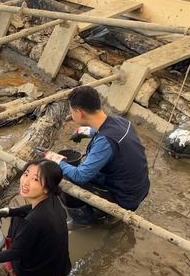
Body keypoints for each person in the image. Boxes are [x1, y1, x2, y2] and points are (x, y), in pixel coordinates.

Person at [44, 85, 150, 226]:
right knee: (83, 169)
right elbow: (109, 134)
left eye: (71, 111)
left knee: (64, 179)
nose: (71, 115)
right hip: (138, 189)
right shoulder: (121, 121)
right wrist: (88, 131)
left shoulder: (105, 142)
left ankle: (84, 222)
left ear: (80, 113)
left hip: (124, 198)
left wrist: (57, 160)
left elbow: (81, 176)